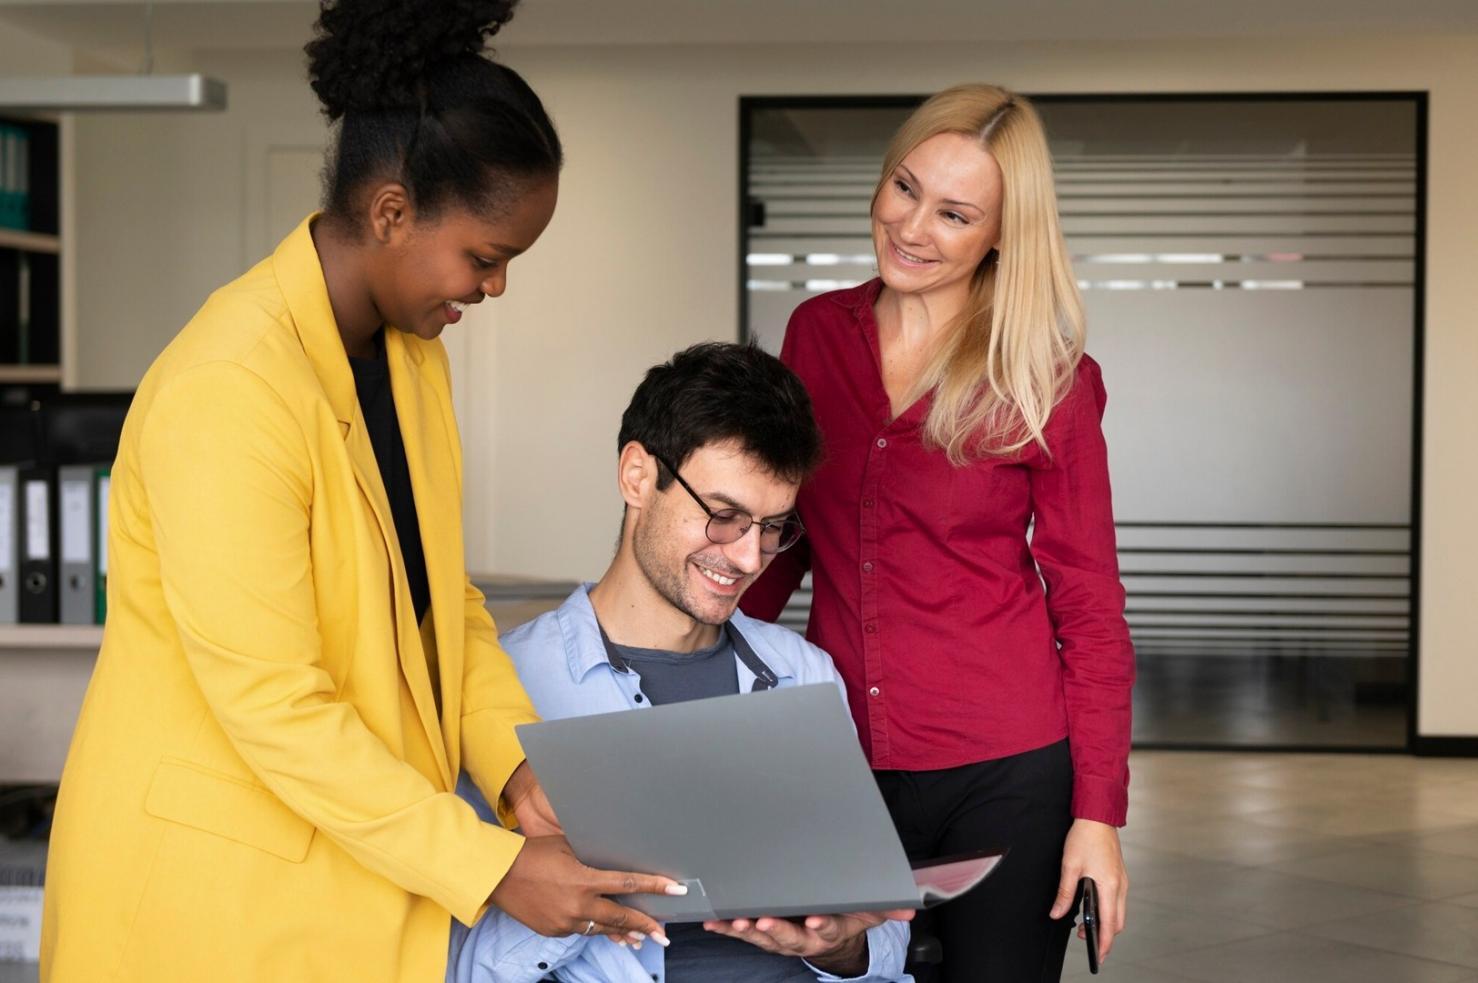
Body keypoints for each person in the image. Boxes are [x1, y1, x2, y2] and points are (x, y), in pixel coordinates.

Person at [40, 3, 679, 981]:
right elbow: (274, 705)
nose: (494, 289)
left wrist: (513, 764)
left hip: (344, 893)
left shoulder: (411, 357)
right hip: (204, 908)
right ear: (390, 212)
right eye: (485, 256)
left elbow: (440, 601)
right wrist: (494, 864)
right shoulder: (231, 385)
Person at [741, 84, 1136, 982]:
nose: (912, 227)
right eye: (905, 188)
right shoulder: (816, 334)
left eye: (955, 213)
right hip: (839, 752)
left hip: (1009, 770)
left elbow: (1090, 603)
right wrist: (690, 647)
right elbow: (785, 537)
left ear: (1001, 234)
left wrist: (1098, 816)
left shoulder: (1047, 378)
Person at [450, 342, 914, 983]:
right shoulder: (503, 688)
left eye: (773, 527)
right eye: (724, 518)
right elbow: (449, 960)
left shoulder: (805, 677)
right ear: (638, 476)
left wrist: (839, 946)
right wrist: (581, 903)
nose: (750, 558)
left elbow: (883, 945)